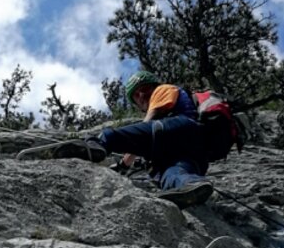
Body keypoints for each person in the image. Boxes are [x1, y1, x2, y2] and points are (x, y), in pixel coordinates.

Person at [59, 71, 214, 207]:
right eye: (136, 95)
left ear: (154, 86)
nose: (141, 95)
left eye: (145, 89)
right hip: (195, 151)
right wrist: (123, 165)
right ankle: (190, 184)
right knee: (171, 175)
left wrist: (122, 160)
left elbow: (145, 131)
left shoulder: (162, 90)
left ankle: (93, 146)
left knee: (110, 135)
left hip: (180, 129)